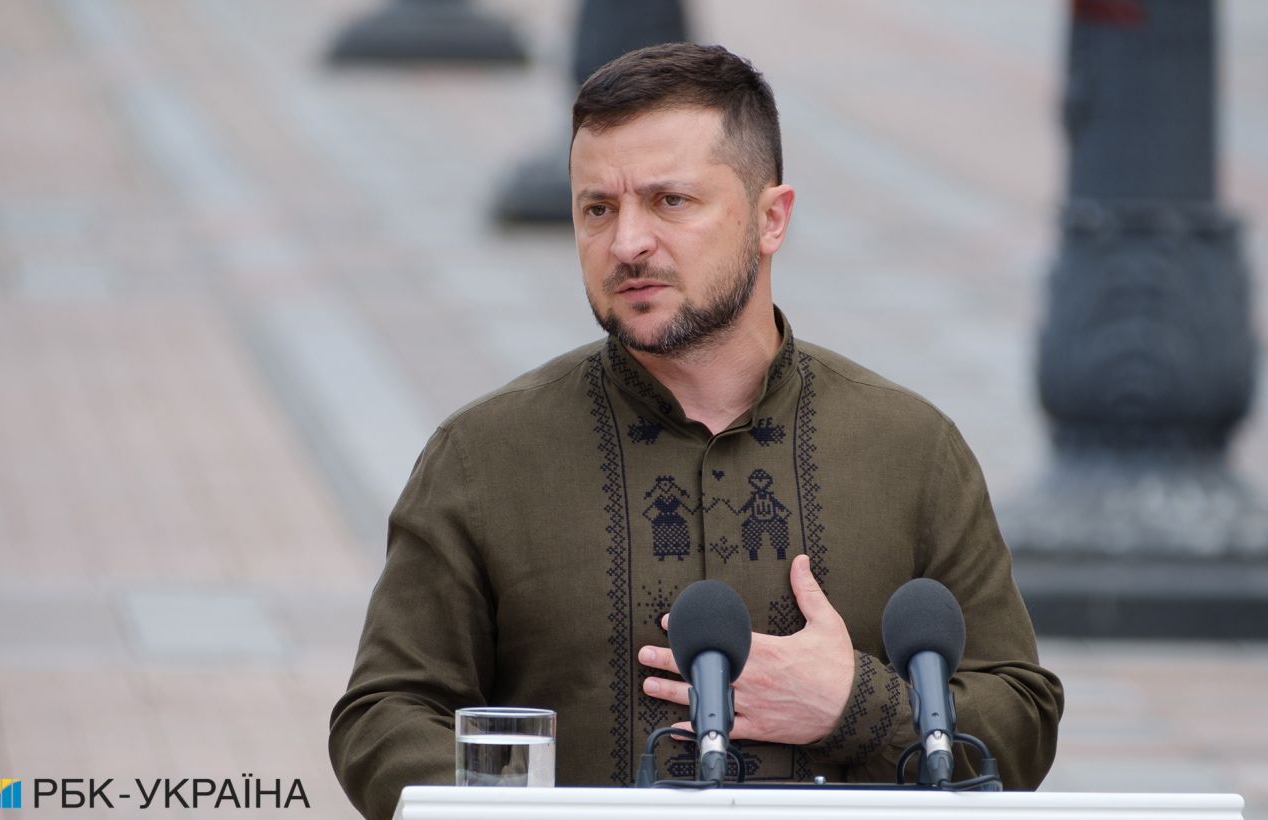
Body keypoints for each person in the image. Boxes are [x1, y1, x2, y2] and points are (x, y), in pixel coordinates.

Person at [329, 42, 1064, 819]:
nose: (626, 244)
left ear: (771, 218)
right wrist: (502, 806)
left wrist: (855, 705)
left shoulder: (910, 450)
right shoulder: (483, 458)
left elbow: (1020, 720)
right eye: (597, 209)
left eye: (670, 201)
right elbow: (384, 714)